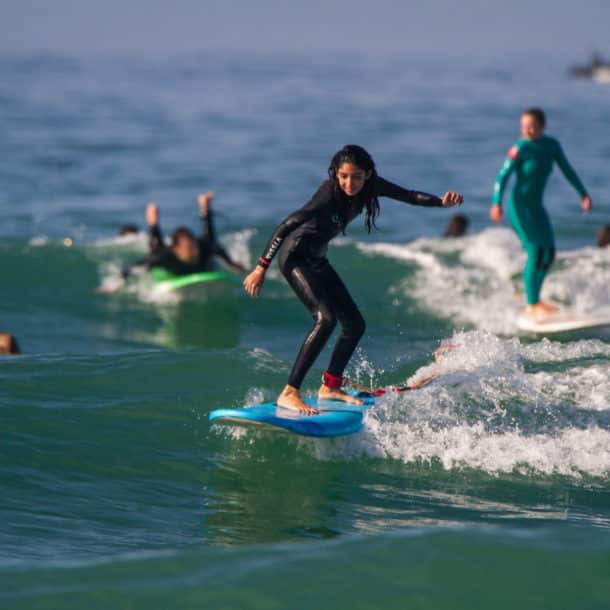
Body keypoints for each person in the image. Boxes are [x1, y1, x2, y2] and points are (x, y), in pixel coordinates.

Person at [243, 145, 463, 413]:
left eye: (356, 176)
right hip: (295, 258)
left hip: (318, 259)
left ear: (367, 175)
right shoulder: (327, 194)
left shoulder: (372, 186)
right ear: (336, 174)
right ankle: (289, 392)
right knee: (325, 319)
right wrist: (260, 267)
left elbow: (409, 196)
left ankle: (330, 386)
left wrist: (441, 202)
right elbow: (288, 224)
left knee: (355, 325)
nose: (349, 183)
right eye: (344, 176)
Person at [490, 107, 592, 317]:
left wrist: (583, 194)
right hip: (519, 208)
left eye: (532, 126)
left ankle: (533, 295)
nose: (527, 130)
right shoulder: (519, 148)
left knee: (549, 253)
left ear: (543, 126)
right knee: (536, 250)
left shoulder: (551, 146)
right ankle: (532, 302)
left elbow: (568, 170)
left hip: (537, 208)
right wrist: (496, 203)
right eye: (524, 126)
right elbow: (502, 177)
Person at [125, 192, 245, 278]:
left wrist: (232, 264)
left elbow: (219, 249)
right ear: (177, 250)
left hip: (202, 255)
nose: (195, 252)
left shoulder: (204, 248)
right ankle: (153, 222)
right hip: (168, 259)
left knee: (210, 238)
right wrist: (120, 280)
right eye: (189, 249)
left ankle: (205, 207)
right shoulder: (165, 256)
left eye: (194, 246)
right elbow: (136, 267)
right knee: (156, 247)